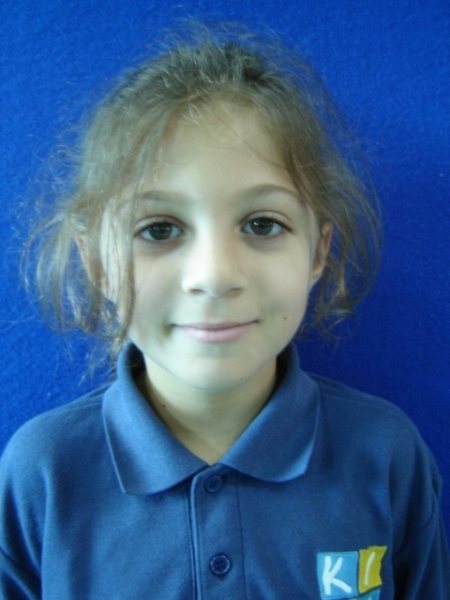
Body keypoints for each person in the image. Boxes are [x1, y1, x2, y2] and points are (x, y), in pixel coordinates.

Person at [0, 24, 449, 599]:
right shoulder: (43, 471)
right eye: (158, 229)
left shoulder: (385, 454)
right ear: (98, 266)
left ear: (318, 252)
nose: (214, 275)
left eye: (263, 224)